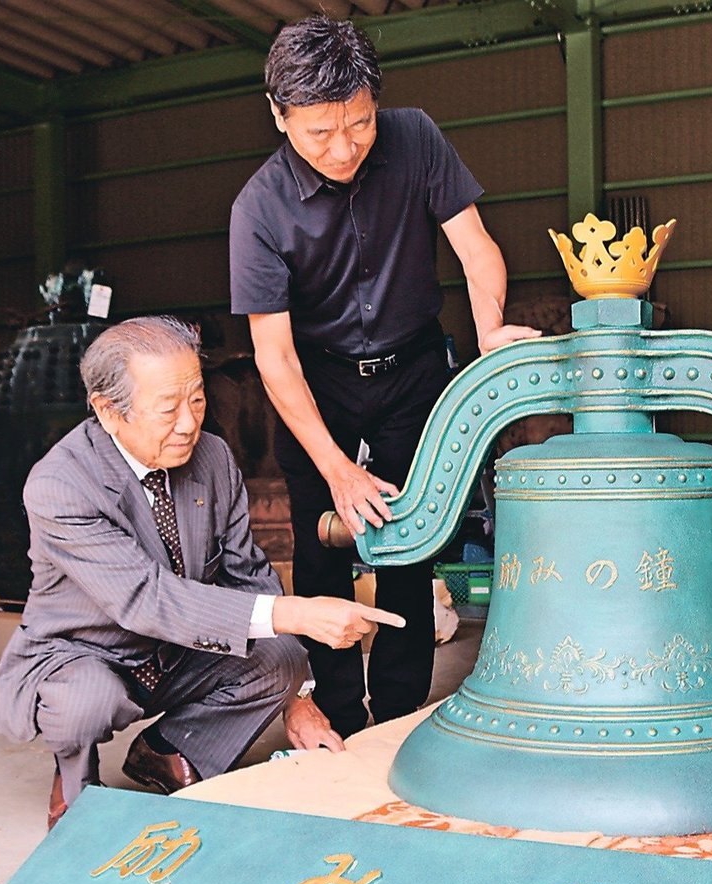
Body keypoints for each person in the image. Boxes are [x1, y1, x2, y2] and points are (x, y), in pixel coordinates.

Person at [229, 16, 539, 740]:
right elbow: (275, 356)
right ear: (279, 115)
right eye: (320, 133)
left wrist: (489, 328)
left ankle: (399, 713)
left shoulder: (416, 137)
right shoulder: (258, 209)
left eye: (359, 124)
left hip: (412, 368)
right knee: (321, 546)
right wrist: (336, 468)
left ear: (377, 103)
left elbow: (476, 247)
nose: (344, 148)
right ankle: (336, 715)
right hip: (317, 383)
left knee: (411, 537)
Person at [0, 316, 403, 830]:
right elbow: (146, 599)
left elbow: (248, 573)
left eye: (198, 399)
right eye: (168, 408)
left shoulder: (212, 457)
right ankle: (75, 775)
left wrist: (298, 696)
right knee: (84, 701)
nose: (189, 423)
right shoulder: (61, 484)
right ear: (108, 411)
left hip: (177, 651)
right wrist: (298, 612)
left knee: (281, 657)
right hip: (87, 653)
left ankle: (170, 750)